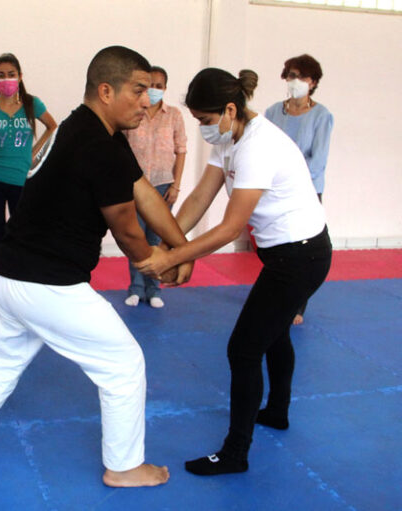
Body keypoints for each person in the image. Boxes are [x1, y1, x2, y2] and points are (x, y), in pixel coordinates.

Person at [0, 46, 194, 487]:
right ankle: (124, 467)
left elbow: (142, 189)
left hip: (8, 276)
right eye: (139, 89)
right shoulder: (95, 144)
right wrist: (161, 262)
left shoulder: (84, 129)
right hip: (48, 285)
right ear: (107, 91)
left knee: (1, 361)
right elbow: (127, 229)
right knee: (124, 364)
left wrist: (179, 247)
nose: (148, 100)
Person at [137, 68, 332, 475]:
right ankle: (276, 411)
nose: (204, 130)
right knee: (274, 334)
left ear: (229, 109)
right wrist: (170, 243)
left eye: (206, 121)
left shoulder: (258, 147)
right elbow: (198, 199)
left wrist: (172, 259)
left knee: (243, 349)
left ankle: (235, 453)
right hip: (286, 255)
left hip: (302, 256)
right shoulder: (228, 138)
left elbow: (228, 227)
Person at [265, 54, 333, 326]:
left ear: (313, 82)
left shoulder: (321, 115)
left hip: (307, 190)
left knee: (303, 247)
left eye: (302, 77)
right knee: (277, 243)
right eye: (292, 76)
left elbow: (318, 159)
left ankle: (297, 304)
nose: (296, 82)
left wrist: (293, 177)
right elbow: (265, 149)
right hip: (275, 188)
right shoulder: (272, 112)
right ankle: (274, 292)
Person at [0, 53, 57, 257]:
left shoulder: (32, 104)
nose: (6, 79)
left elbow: (52, 127)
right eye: (0, 75)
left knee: (21, 232)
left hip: (21, 179)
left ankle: (19, 277)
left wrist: (33, 154)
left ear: (20, 76)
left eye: (11, 74)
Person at [123, 66, 187, 309]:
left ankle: (154, 288)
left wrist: (176, 185)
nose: (154, 90)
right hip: (135, 186)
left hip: (163, 186)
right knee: (135, 238)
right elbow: (122, 150)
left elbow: (181, 151)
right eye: (151, 85)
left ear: (165, 89)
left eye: (159, 85)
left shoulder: (174, 116)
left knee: (157, 239)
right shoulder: (133, 114)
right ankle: (136, 288)